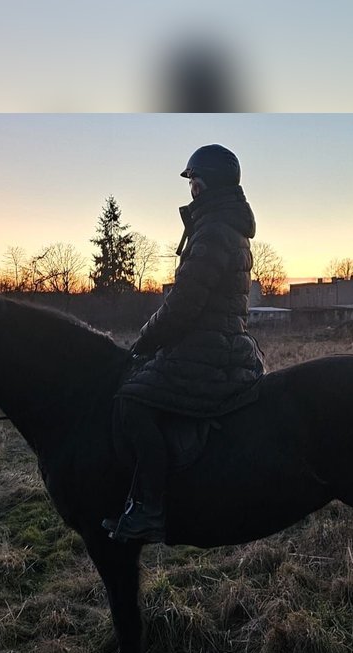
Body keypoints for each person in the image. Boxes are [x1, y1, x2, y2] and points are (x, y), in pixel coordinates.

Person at [103, 144, 265, 543]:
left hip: (207, 350)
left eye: (192, 180)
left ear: (203, 183)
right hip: (222, 341)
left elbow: (185, 303)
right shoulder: (227, 226)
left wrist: (146, 338)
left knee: (132, 402)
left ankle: (149, 510)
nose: (190, 187)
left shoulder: (212, 231)